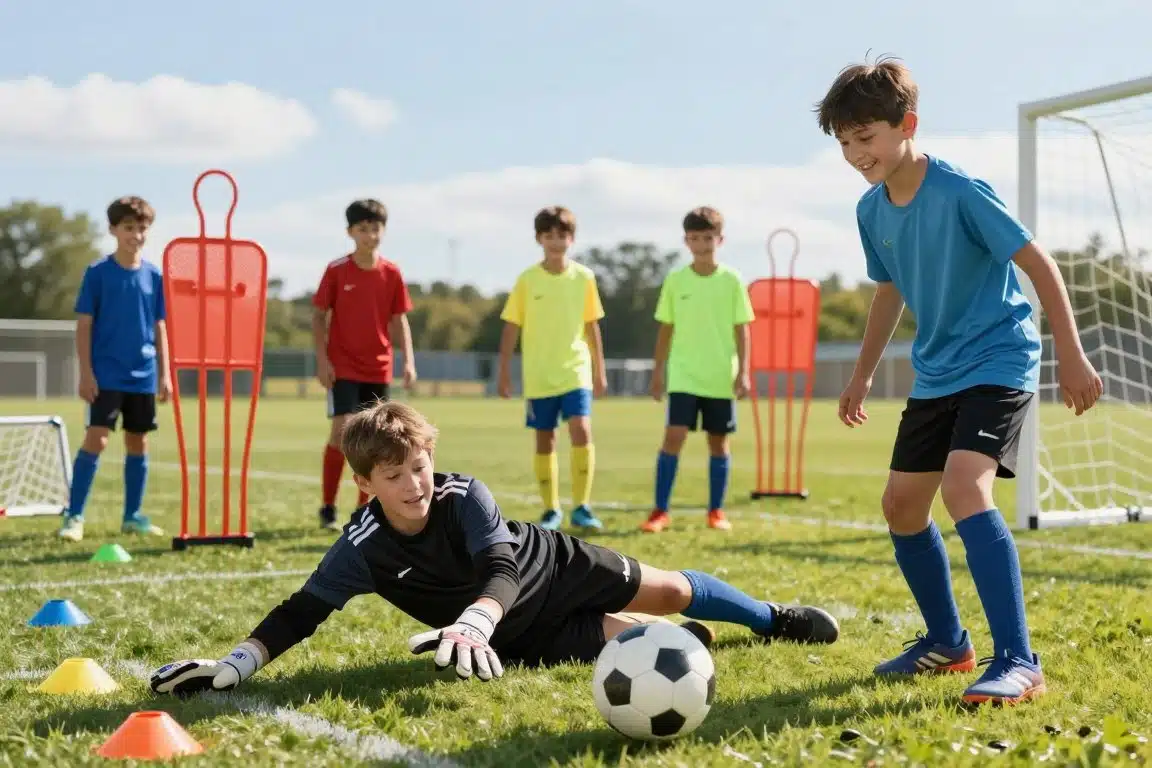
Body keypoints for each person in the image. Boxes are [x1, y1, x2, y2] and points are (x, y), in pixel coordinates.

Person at [149, 401, 840, 695]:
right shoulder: (360, 547)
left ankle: (772, 617)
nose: (415, 484)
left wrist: (477, 616)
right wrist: (234, 666)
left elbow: (501, 566)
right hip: (507, 637)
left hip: (554, 571)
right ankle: (673, 641)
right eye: (395, 477)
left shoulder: (464, 494)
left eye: (419, 466)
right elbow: (301, 611)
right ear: (365, 486)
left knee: (673, 590)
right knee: (629, 646)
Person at [815, 57, 1103, 705]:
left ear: (906, 125)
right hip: (937, 370)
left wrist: (1071, 351)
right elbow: (888, 296)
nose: (857, 154)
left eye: (867, 138)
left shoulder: (960, 190)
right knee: (900, 506)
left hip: (1000, 358)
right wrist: (860, 376)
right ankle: (948, 643)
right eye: (845, 143)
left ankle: (1019, 660)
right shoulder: (871, 211)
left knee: (964, 488)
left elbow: (1038, 264)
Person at [58, 196, 170, 542]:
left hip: (144, 373)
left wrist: (164, 373)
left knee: (138, 442)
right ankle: (74, 516)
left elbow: (160, 326)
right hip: (106, 373)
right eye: (128, 228)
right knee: (98, 439)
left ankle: (132, 516)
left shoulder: (154, 275)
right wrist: (86, 372)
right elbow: (84, 325)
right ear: (113, 230)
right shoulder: (97, 274)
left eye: (141, 228)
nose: (136, 235)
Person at [643, 207, 755, 533]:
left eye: (708, 238)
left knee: (718, 443)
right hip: (683, 376)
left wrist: (743, 372)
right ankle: (659, 511)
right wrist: (657, 372)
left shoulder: (732, 280)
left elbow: (742, 329)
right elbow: (665, 329)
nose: (702, 245)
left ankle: (716, 512)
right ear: (686, 241)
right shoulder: (676, 280)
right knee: (673, 437)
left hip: (720, 376)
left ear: (720, 239)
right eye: (695, 239)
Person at [497, 206, 607, 532]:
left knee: (581, 430)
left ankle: (583, 507)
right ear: (539, 239)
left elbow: (592, 326)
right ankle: (551, 509)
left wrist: (599, 369)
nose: (556, 242)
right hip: (539, 374)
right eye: (549, 236)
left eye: (562, 235)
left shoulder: (584, 277)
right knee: (545, 440)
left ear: (571, 239)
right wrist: (503, 371)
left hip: (576, 369)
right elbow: (510, 328)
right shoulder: (527, 280)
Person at [312, 199, 417, 531]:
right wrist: (322, 360)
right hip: (342, 367)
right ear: (350, 232)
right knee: (342, 430)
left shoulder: (392, 273)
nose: (370, 235)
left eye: (375, 229)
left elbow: (400, 321)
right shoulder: (336, 270)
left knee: (375, 439)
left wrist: (408, 361)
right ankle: (328, 507)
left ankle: (365, 509)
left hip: (378, 368)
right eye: (363, 229)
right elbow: (317, 316)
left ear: (383, 231)